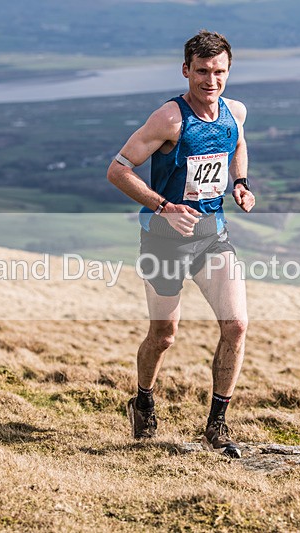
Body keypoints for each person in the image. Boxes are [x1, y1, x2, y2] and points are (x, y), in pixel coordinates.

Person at [107, 30, 255, 458]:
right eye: (202, 72)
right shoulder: (169, 120)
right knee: (164, 334)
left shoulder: (235, 111)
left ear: (229, 71)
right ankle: (144, 399)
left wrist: (241, 183)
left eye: (219, 72)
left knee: (237, 325)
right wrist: (162, 205)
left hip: (213, 236)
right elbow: (117, 170)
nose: (211, 81)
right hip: (164, 242)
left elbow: (238, 143)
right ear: (186, 70)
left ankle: (217, 426)